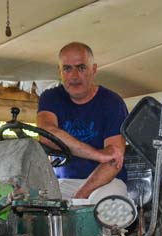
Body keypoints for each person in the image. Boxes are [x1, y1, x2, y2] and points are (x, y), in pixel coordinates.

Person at [37, 42, 128, 206]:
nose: (74, 76)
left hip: (104, 182)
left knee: (109, 204)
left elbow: (114, 160)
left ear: (93, 70)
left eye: (81, 68)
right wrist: (98, 154)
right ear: (60, 72)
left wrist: (82, 194)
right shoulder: (50, 98)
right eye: (67, 69)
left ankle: (109, 232)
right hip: (62, 182)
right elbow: (47, 135)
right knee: (34, 204)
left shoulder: (112, 103)